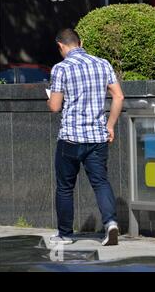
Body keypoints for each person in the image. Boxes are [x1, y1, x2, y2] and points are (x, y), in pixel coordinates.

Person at [47, 29, 124, 246]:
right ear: (80, 42)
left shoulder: (61, 68)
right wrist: (110, 126)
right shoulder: (102, 63)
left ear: (60, 46)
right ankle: (110, 224)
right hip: (97, 138)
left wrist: (49, 99)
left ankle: (65, 234)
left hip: (70, 138)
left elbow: (54, 106)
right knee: (100, 182)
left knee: (65, 187)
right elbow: (118, 96)